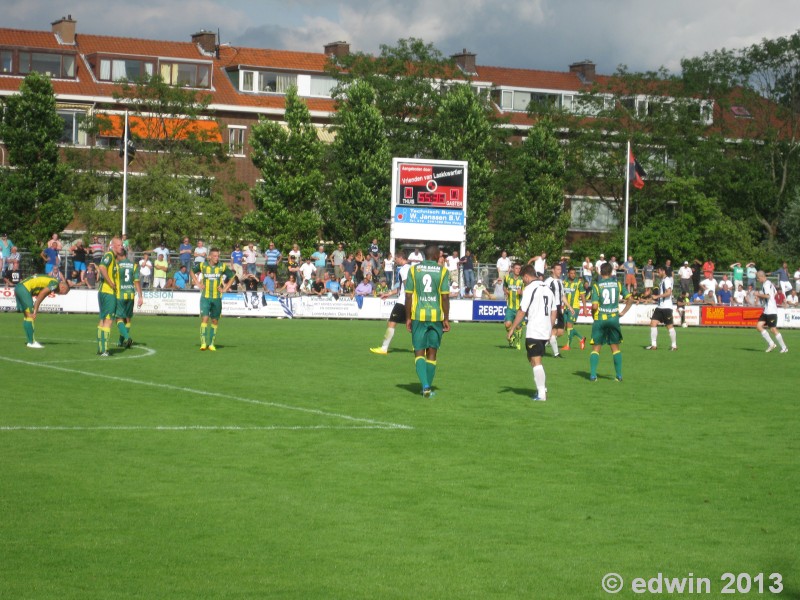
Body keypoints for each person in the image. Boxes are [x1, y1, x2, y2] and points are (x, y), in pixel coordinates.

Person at [405, 244, 450, 398]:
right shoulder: (443, 271)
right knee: (432, 351)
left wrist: (407, 318)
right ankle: (427, 387)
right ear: (437, 255)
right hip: (436, 316)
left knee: (419, 351)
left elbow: (408, 296)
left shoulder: (413, 270)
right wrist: (446, 318)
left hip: (418, 316)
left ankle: (425, 385)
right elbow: (445, 297)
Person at [507, 264, 556, 401]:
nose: (523, 281)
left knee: (536, 360)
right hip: (544, 330)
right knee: (532, 359)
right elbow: (554, 312)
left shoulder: (529, 289)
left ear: (527, 277)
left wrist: (512, 329)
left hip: (535, 329)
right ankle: (542, 387)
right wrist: (550, 328)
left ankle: (541, 394)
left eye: (523, 279)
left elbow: (522, 311)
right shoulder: (548, 289)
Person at [589, 262, 634, 382]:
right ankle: (619, 375)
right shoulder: (617, 284)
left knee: (596, 348)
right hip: (614, 319)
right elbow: (630, 299)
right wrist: (623, 312)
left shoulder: (597, 286)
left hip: (601, 319)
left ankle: (593, 375)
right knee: (615, 348)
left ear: (600, 271)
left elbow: (594, 306)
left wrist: (594, 316)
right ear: (611, 272)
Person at [192, 247, 236, 351]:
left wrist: (225, 288)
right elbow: (191, 271)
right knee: (205, 319)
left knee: (215, 321)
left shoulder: (222, 266)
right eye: (215, 256)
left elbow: (233, 276)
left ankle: (211, 344)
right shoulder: (203, 265)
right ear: (210, 257)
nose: (217, 258)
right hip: (205, 298)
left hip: (217, 298)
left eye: (218, 256)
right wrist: (198, 283)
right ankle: (203, 343)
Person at [370, 252, 411, 355]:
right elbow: (401, 287)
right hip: (409, 300)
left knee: (392, 322)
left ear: (401, 258)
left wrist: (408, 300)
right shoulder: (411, 268)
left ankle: (384, 348)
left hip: (403, 301)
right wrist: (388, 294)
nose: (395, 261)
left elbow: (407, 287)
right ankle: (420, 348)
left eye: (396, 258)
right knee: (413, 325)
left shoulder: (404, 269)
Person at [15, 273, 70, 348]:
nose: (60, 294)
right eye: (63, 293)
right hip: (24, 288)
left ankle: (29, 341)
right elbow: (42, 294)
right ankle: (31, 342)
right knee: (30, 316)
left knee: (27, 316)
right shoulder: (55, 283)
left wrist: (35, 309)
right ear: (63, 287)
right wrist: (35, 310)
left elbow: (42, 296)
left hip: (19, 287)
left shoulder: (51, 281)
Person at [114, 243, 143, 348]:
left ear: (121, 255)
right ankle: (121, 341)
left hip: (120, 295)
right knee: (127, 319)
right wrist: (140, 296)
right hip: (131, 295)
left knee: (118, 318)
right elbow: (137, 282)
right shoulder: (134, 266)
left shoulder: (117, 265)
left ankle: (127, 337)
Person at [97, 237, 122, 356]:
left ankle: (101, 348)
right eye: (119, 245)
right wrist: (111, 283)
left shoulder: (113, 258)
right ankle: (105, 350)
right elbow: (102, 267)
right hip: (108, 292)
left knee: (102, 320)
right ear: (113, 246)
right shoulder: (109, 255)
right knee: (108, 320)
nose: (121, 247)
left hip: (104, 292)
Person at [755, 270, 788, 353]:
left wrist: (758, 294)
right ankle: (771, 344)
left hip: (771, 311)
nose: (758, 280)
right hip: (766, 310)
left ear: (762, 276)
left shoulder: (766, 284)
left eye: (758, 278)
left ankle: (784, 347)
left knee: (773, 329)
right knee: (759, 326)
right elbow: (775, 294)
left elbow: (768, 296)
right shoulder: (769, 283)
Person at [646, 266, 678, 351]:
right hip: (660, 307)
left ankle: (674, 346)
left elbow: (668, 293)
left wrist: (657, 296)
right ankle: (653, 345)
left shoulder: (667, 280)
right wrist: (652, 298)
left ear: (663, 271)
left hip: (666, 308)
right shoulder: (662, 281)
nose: (657, 273)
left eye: (658, 271)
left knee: (669, 326)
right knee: (653, 323)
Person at [544, 264, 567, 358]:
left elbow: (562, 296)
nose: (559, 271)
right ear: (552, 270)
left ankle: (543, 343)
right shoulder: (548, 282)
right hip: (551, 308)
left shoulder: (560, 282)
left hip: (559, 307)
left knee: (561, 331)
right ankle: (556, 353)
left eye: (560, 269)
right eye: (557, 269)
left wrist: (569, 306)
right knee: (553, 330)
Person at [561, 266, 586, 350]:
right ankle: (581, 338)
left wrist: (585, 308)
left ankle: (568, 345)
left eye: (574, 273)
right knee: (565, 327)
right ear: (568, 274)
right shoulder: (564, 282)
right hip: (565, 308)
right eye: (571, 273)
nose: (573, 275)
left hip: (574, 307)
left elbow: (582, 296)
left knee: (569, 326)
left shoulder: (579, 283)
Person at [503, 263, 525, 349]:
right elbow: (504, 286)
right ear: (513, 269)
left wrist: (522, 292)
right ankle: (512, 337)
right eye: (516, 268)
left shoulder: (523, 280)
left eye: (519, 268)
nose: (518, 270)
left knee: (519, 326)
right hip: (510, 307)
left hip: (520, 308)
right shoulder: (508, 278)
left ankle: (518, 342)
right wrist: (505, 291)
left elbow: (528, 292)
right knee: (507, 324)